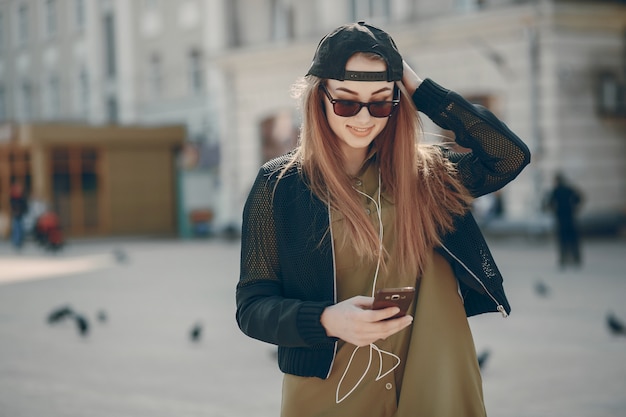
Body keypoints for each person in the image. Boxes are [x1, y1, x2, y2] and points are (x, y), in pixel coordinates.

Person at [236, 22, 531, 417]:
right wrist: (326, 320)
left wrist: (416, 84)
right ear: (319, 99)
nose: (363, 117)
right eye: (345, 102)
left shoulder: (429, 177)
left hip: (435, 383)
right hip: (332, 394)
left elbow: (509, 155)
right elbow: (252, 308)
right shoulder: (279, 186)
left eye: (380, 102)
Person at [545, 172, 584, 268]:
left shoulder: (555, 190)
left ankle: (563, 259)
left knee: (562, 240)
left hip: (561, 218)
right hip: (570, 217)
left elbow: (549, 203)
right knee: (573, 240)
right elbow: (578, 198)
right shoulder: (568, 189)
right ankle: (576, 258)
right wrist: (574, 207)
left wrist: (554, 210)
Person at [9, 181, 28, 250]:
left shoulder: (21, 197)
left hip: (20, 215)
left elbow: (24, 206)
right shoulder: (14, 198)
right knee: (16, 228)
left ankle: (19, 242)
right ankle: (16, 242)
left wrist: (23, 211)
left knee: (20, 228)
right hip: (17, 215)